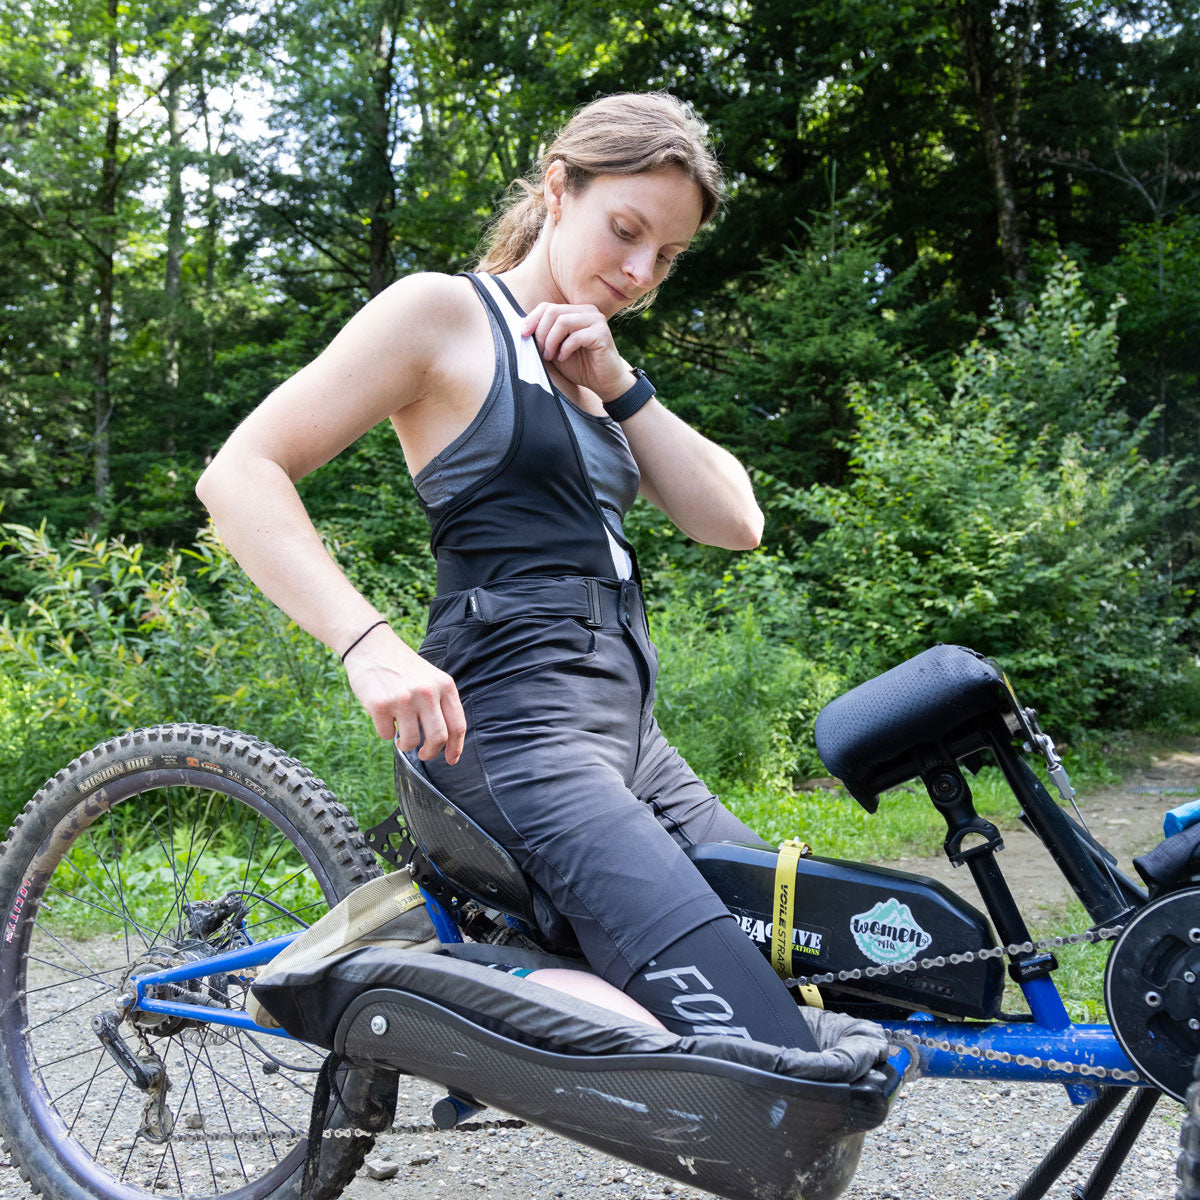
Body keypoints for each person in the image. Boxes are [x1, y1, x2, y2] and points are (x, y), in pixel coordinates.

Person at [197, 91, 817, 1052]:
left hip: (632, 743)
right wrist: (367, 644)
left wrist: (619, 382)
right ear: (559, 189)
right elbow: (239, 472)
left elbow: (735, 519)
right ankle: (427, 986)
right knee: (761, 1046)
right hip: (514, 733)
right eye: (626, 230)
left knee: (821, 951)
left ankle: (487, 963)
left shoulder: (595, 367)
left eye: (669, 255)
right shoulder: (446, 314)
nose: (640, 271)